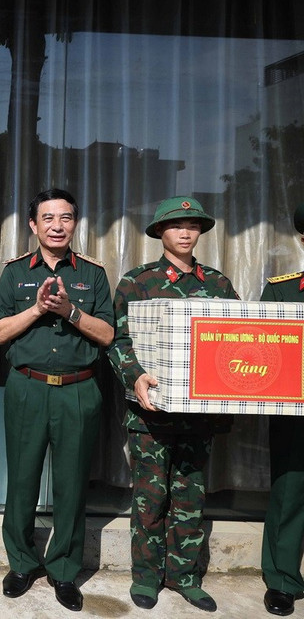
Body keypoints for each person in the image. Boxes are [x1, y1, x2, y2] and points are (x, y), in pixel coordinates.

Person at [107, 196, 237, 613]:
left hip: (199, 414)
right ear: (160, 232)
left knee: (190, 498)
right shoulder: (137, 281)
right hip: (152, 412)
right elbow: (118, 339)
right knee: (150, 498)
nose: (185, 232)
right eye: (176, 225)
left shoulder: (217, 283)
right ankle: (146, 577)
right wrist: (134, 376)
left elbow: (234, 337)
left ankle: (184, 577)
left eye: (193, 226)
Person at [0, 188, 114, 612]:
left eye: (65, 218)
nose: (57, 226)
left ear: (75, 224)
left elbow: (107, 334)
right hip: (27, 387)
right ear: (33, 225)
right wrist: (39, 309)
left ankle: (63, 569)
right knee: (22, 480)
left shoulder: (93, 274)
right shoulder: (13, 273)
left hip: (79, 389)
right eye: (48, 218)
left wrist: (70, 313)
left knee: (71, 484)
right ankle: (22, 563)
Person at [258, 202, 304, 617]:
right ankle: (284, 578)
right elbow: (262, 356)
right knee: (291, 493)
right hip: (297, 412)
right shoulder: (282, 288)